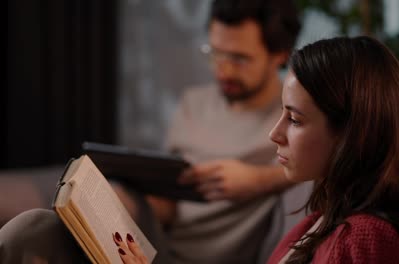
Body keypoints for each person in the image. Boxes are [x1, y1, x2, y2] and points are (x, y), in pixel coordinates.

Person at [111, 36, 399, 263]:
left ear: (350, 135)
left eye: (294, 120)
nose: (274, 134)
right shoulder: (324, 218)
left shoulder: (362, 240)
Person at [0, 0, 302, 264]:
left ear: (279, 54)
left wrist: (257, 180)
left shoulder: (289, 119)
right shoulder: (194, 103)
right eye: (215, 53)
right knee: (30, 229)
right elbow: (168, 205)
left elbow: (332, 163)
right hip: (146, 235)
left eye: (238, 59)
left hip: (184, 258)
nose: (223, 70)